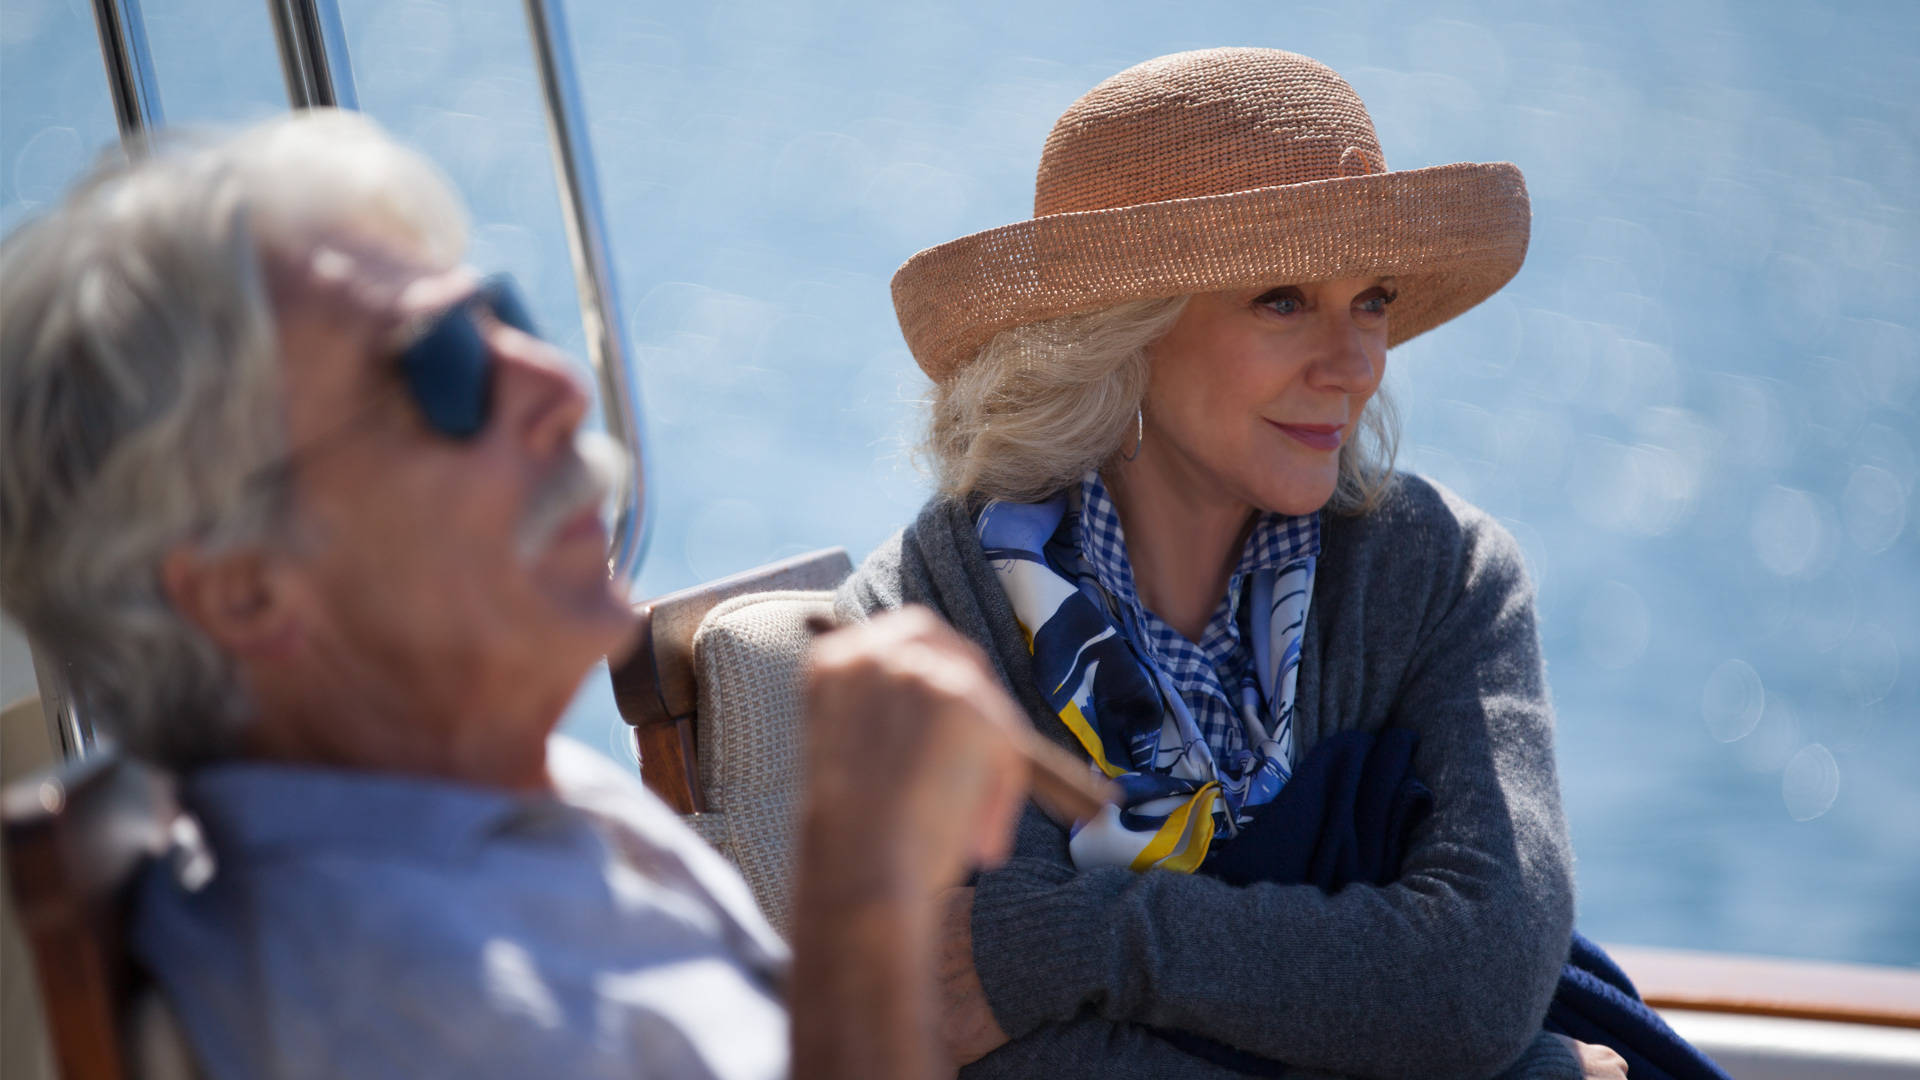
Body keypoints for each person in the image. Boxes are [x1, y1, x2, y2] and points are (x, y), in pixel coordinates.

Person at [0, 110, 1034, 1080]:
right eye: (443, 366)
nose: (555, 384)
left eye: (500, 318)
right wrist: (868, 892)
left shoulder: (509, 803)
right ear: (242, 592)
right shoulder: (376, 981)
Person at [833, 48, 1629, 1079]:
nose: (1354, 365)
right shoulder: (933, 619)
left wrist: (1082, 939)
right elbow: (1000, 1056)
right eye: (1284, 299)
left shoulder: (1442, 574)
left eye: (1373, 299)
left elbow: (1476, 982)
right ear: (1120, 333)